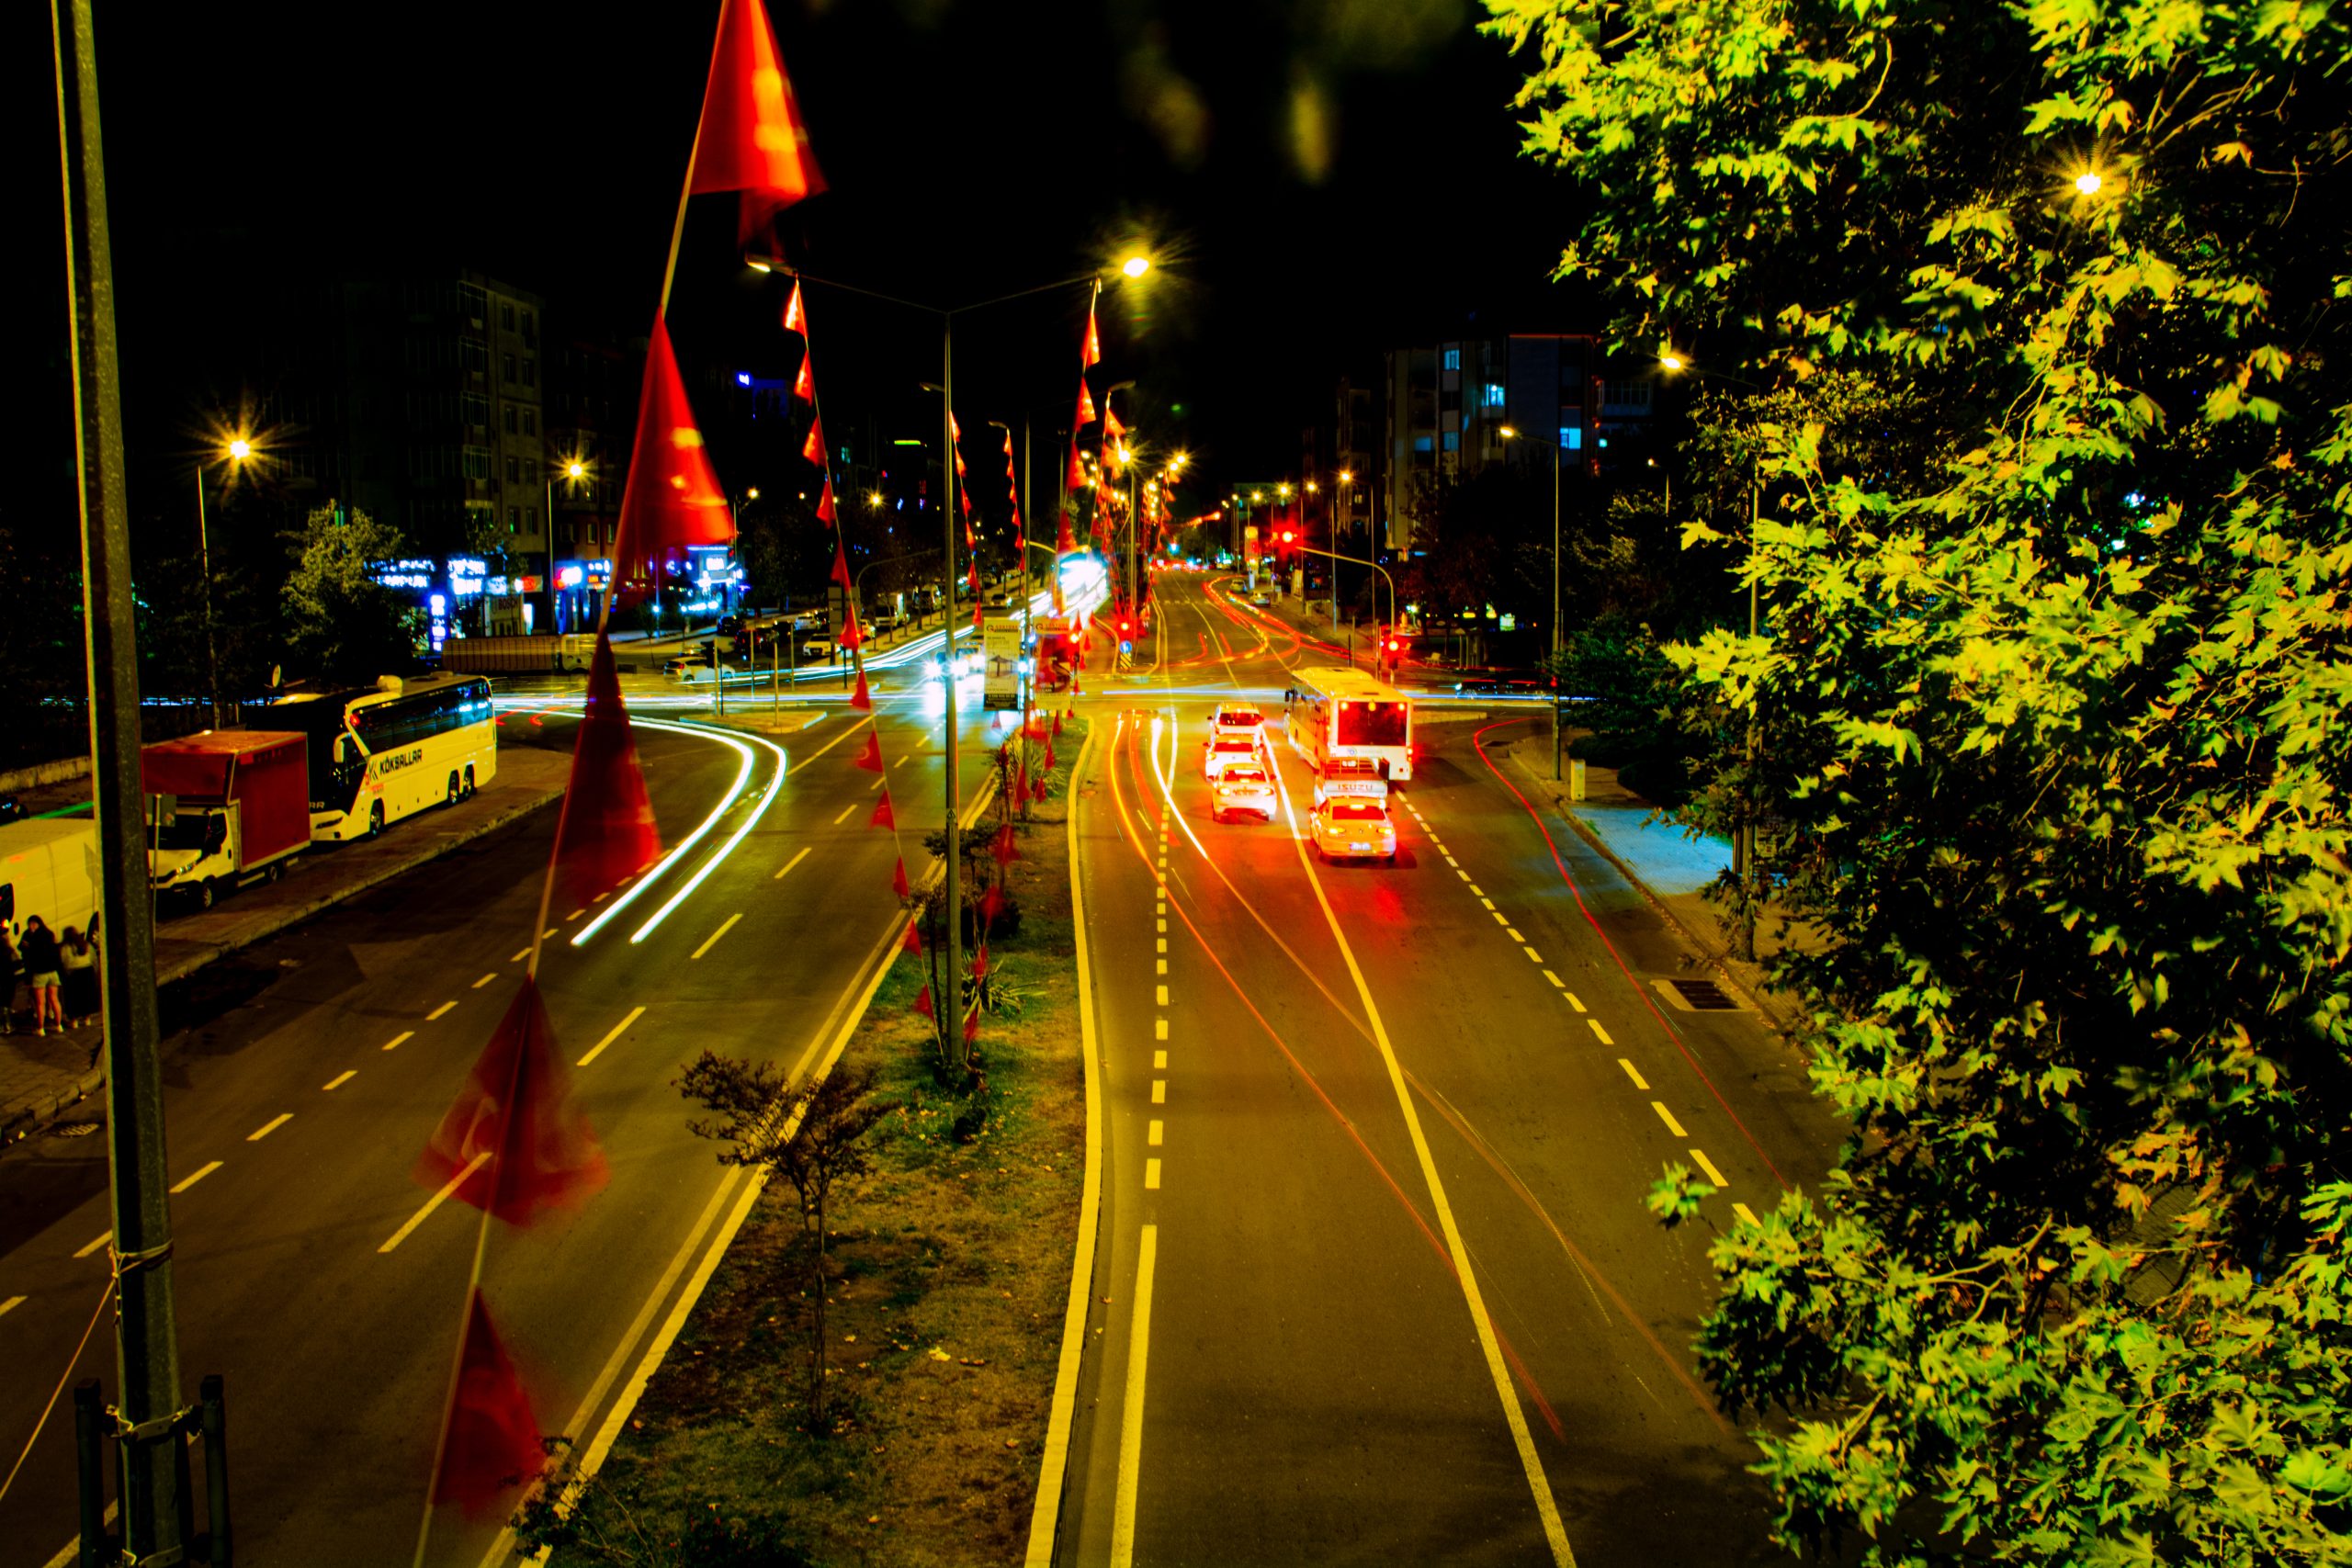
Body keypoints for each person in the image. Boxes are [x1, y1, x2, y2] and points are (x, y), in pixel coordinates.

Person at [18, 916, 63, 1038]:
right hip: (53, 972)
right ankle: (58, 1025)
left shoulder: (33, 938)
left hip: (40, 973)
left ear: (38, 924)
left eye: (33, 924)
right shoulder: (49, 935)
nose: (31, 926)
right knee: (54, 999)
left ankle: (41, 1028)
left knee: (40, 1003)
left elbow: (29, 955)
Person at [60, 924, 98, 1029]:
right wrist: (94, 971)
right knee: (87, 995)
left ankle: (74, 1021)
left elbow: (64, 961)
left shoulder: (65, 947)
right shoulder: (85, 944)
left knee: (73, 997)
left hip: (74, 973)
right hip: (87, 971)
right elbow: (94, 958)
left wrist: (66, 974)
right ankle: (87, 1019)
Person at [0, 925, 19, 1036]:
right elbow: (17, 963)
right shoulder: (10, 951)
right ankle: (7, 1025)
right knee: (6, 1002)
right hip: (8, 979)